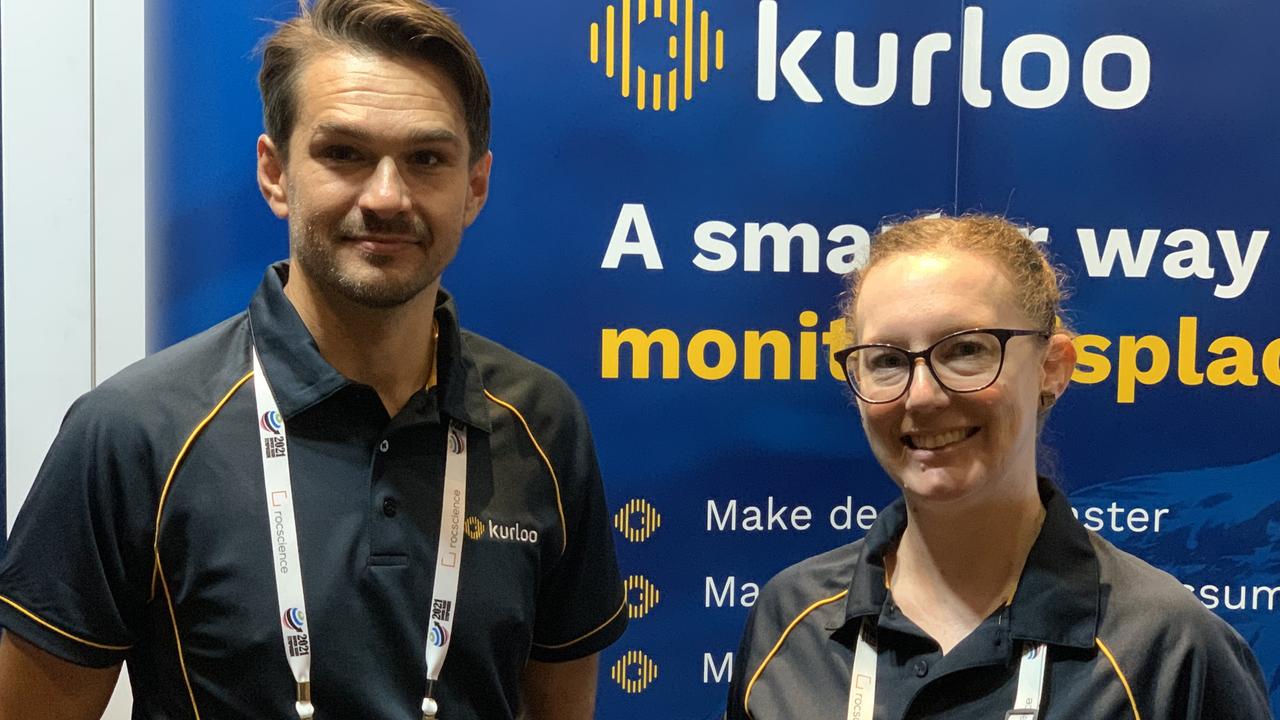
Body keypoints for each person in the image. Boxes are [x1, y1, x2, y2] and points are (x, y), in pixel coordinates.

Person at [0, 1, 627, 718]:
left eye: (426, 159)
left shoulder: (542, 424)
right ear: (274, 173)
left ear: (474, 187)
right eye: (344, 154)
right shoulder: (134, 431)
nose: (387, 197)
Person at [725, 215, 1271, 719]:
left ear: (1053, 369)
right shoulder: (789, 617)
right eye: (887, 360)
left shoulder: (1167, 649)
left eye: (965, 351)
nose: (922, 396)